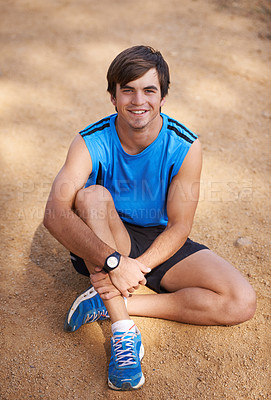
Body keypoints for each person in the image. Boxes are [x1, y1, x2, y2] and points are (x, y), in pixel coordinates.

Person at [43, 45, 256, 391]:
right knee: (91, 195)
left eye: (149, 90)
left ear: (164, 97)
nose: (137, 100)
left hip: (158, 239)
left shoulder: (185, 146)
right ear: (113, 96)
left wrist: (135, 268)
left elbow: (180, 226)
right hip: (104, 237)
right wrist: (113, 261)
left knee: (240, 301)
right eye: (127, 89)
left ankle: (115, 300)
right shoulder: (90, 141)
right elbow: (54, 214)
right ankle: (123, 332)